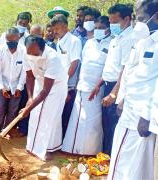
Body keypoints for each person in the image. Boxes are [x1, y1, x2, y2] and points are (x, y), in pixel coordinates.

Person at [107, 1, 158, 179]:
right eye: (137, 18)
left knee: (138, 164)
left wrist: (147, 115)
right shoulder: (142, 41)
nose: (139, 23)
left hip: (144, 117)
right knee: (123, 159)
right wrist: (122, 99)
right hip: (129, 110)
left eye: (142, 18)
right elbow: (130, 72)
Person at [62, 16, 112, 155]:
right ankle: (72, 149)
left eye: (101, 28)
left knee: (92, 120)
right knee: (77, 118)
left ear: (108, 29)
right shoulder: (89, 43)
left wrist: (97, 85)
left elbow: (108, 69)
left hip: (97, 88)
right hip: (82, 85)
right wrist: (77, 82)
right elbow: (82, 64)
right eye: (96, 28)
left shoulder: (111, 44)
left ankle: (90, 151)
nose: (97, 30)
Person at [90, 3, 135, 155]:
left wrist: (114, 93)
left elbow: (125, 69)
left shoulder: (129, 38)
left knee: (113, 126)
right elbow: (110, 66)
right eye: (110, 21)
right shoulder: (117, 38)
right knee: (106, 125)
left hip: (117, 88)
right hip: (107, 85)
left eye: (115, 21)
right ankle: (105, 158)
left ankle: (111, 160)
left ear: (127, 19)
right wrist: (98, 84)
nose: (112, 25)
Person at [21, 35, 68, 161]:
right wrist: (30, 98)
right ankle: (32, 146)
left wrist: (28, 108)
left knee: (48, 117)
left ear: (43, 49)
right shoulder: (26, 53)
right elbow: (30, 76)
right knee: (35, 115)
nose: (31, 55)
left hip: (56, 86)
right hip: (39, 82)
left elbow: (46, 91)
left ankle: (44, 149)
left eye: (34, 53)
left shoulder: (53, 58)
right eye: (28, 52)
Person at [50, 14, 82, 139]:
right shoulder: (59, 42)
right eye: (53, 29)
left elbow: (75, 62)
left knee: (66, 115)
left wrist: (65, 82)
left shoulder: (74, 41)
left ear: (65, 26)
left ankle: (63, 142)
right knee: (58, 114)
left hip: (69, 85)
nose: (55, 32)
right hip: (59, 84)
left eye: (57, 29)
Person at [0, 27, 26, 135]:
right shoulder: (0, 50)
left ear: (18, 38)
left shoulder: (23, 51)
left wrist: (19, 87)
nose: (11, 43)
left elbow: (24, 72)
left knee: (13, 111)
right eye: (8, 41)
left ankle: (6, 132)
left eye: (14, 41)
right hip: (3, 84)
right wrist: (1, 88)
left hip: (17, 85)